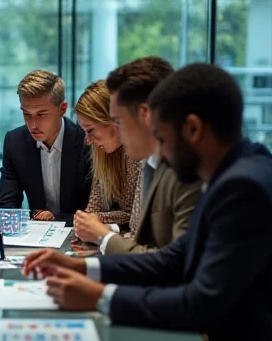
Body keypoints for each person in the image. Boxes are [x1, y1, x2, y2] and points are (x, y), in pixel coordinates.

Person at [22, 63, 272, 341]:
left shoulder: (243, 188)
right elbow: (174, 259)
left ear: (192, 129)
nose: (161, 153)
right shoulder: (237, 174)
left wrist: (99, 296)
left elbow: (199, 304)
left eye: (163, 138)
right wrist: (84, 267)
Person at [74, 57, 201, 254]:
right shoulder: (152, 161)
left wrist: (103, 235)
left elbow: (171, 263)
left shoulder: (186, 171)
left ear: (145, 114)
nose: (119, 132)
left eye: (119, 122)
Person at [0, 70, 91, 225]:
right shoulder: (15, 142)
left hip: (79, 233)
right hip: (35, 236)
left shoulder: (87, 141)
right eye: (26, 114)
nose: (33, 124)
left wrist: (54, 219)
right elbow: (6, 208)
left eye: (42, 114)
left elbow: (95, 212)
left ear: (62, 109)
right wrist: (32, 216)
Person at [73, 79, 141, 241]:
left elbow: (136, 222)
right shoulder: (102, 151)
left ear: (113, 120)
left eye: (90, 130)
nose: (88, 141)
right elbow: (92, 209)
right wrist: (86, 221)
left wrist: (99, 224)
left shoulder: (141, 152)